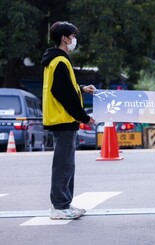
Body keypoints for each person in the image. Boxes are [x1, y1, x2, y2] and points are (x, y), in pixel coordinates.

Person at [41, 21, 95, 220]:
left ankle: (65, 204)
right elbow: (63, 93)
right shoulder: (60, 61)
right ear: (64, 38)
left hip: (61, 119)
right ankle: (60, 206)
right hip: (63, 119)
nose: (74, 40)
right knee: (63, 164)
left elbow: (65, 87)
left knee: (66, 164)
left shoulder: (55, 60)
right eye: (72, 36)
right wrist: (84, 117)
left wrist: (81, 89)